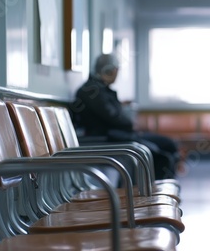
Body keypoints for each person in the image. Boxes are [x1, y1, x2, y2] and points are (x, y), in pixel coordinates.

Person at [72, 53, 180, 182]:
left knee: (168, 144)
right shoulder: (92, 90)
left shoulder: (98, 89)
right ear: (112, 70)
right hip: (107, 138)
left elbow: (109, 113)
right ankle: (151, 193)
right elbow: (114, 118)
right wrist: (129, 121)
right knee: (157, 152)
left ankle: (158, 191)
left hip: (118, 135)